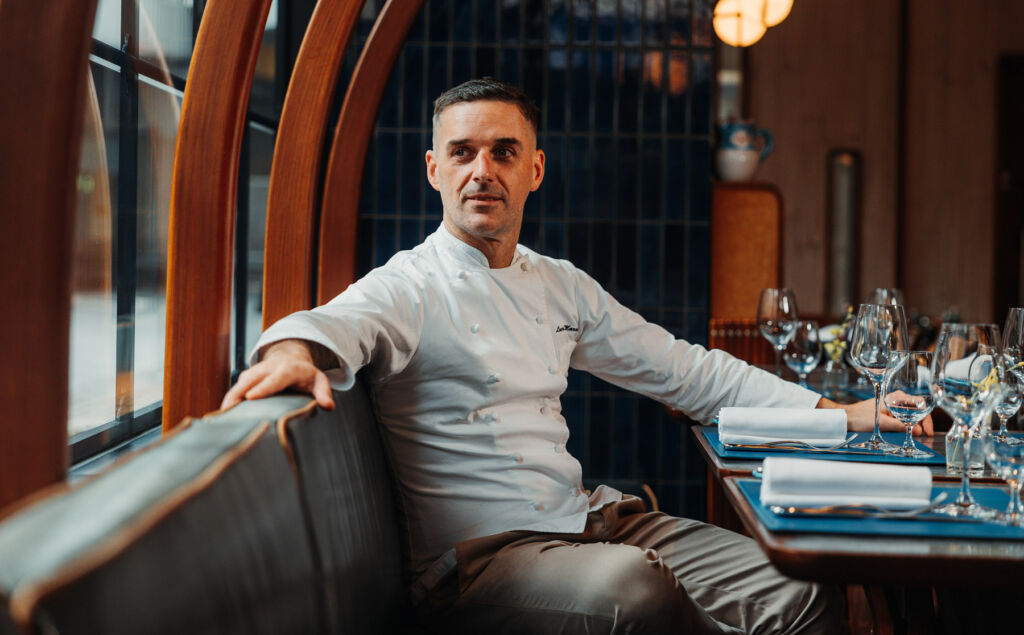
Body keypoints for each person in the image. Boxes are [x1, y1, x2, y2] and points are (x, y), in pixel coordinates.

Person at [222, 77, 930, 634]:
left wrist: (845, 412)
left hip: (592, 520)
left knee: (801, 590)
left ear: (535, 168)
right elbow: (334, 322)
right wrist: (293, 351)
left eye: (503, 152)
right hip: (478, 562)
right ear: (434, 169)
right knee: (636, 591)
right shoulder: (409, 285)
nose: (482, 170)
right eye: (463, 153)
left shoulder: (558, 283)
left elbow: (689, 372)